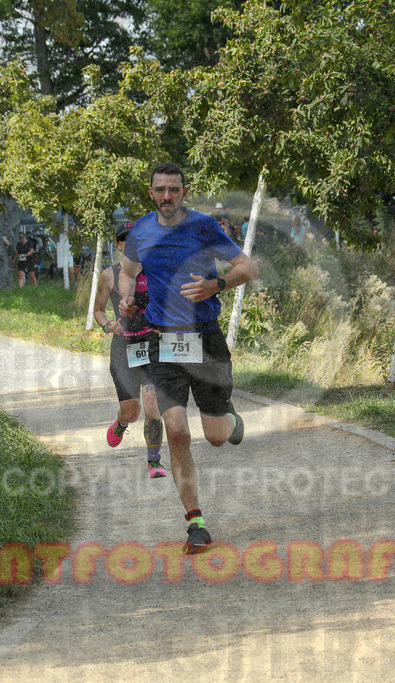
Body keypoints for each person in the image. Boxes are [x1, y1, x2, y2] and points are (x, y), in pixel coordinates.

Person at [119, 162, 259, 552]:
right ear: (151, 192)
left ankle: (229, 419)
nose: (167, 196)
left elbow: (248, 267)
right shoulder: (140, 231)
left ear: (184, 191)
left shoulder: (203, 227)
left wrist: (216, 284)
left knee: (216, 438)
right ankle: (195, 523)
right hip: (163, 342)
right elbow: (128, 272)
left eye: (174, 190)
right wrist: (127, 296)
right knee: (176, 431)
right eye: (160, 189)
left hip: (206, 341)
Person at [93, 221, 167, 479]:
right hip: (123, 347)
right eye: (124, 239)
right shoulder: (109, 275)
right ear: (118, 244)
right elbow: (98, 310)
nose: (130, 242)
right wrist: (107, 326)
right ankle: (122, 423)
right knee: (132, 410)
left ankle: (154, 461)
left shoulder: (155, 271)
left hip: (151, 345)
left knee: (152, 404)